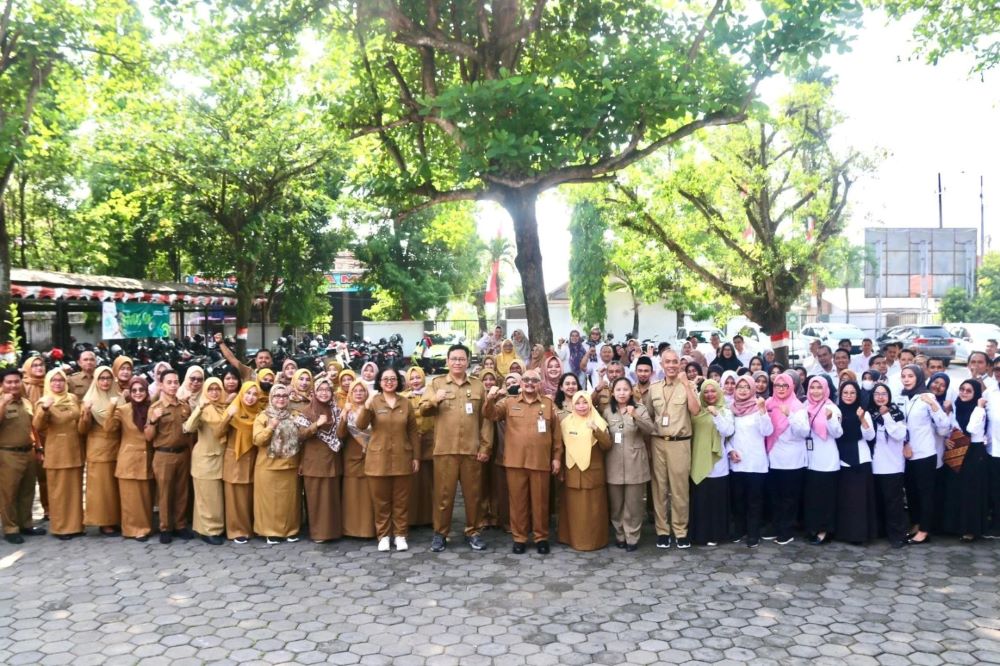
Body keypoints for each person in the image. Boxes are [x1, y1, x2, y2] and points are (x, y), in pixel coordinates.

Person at [419, 344, 492, 552]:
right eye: (454, 359)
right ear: (447, 361)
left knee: (473, 495)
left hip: (472, 450)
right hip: (445, 450)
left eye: (462, 359)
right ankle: (440, 534)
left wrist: (485, 447)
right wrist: (435, 399)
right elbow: (423, 410)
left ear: (468, 361)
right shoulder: (437, 384)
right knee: (443, 495)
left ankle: (474, 532)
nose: (458, 362)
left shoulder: (478, 386)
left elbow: (486, 420)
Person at [485, 368, 562, 554]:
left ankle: (541, 537)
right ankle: (519, 537)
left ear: (540, 384)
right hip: (515, 462)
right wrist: (489, 399)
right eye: (526, 380)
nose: (529, 383)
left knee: (540, 502)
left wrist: (556, 458)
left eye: (533, 380)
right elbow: (491, 415)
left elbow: (557, 435)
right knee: (518, 503)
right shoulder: (509, 403)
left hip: (540, 462)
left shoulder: (548, 404)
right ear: (520, 383)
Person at [355, 367, 419, 551]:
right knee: (380, 500)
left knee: (401, 500)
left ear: (398, 381)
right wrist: (366, 407)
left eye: (393, 379)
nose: (389, 382)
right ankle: (383, 536)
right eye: (385, 379)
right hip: (378, 459)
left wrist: (416, 457)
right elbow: (360, 425)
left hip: (402, 457)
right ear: (379, 382)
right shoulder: (374, 402)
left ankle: (400, 535)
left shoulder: (406, 403)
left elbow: (413, 432)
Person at [645, 348, 701, 549]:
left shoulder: (688, 386)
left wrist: (686, 385)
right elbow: (649, 416)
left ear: (680, 364)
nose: (671, 365)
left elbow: (695, 411)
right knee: (659, 488)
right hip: (658, 441)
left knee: (679, 489)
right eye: (667, 362)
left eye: (675, 361)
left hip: (680, 442)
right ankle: (662, 531)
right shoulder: (654, 388)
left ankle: (680, 531)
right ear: (661, 365)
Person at [253, 384, 317, 544]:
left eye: (284, 396)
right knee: (269, 502)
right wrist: (271, 427)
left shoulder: (295, 415)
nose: (281, 399)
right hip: (268, 467)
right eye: (277, 396)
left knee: (290, 502)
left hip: (290, 465)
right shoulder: (263, 416)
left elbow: (302, 437)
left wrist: (316, 426)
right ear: (271, 398)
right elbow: (258, 440)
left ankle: (291, 530)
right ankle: (270, 531)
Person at [601, 377, 654, 551]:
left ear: (631, 391)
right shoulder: (608, 411)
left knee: (634, 504)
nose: (622, 393)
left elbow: (650, 429)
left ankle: (632, 536)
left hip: (635, 462)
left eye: (625, 389)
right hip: (613, 462)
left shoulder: (640, 409)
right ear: (613, 392)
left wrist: (635, 416)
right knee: (616, 505)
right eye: (618, 390)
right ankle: (620, 535)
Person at [900, 365, 950, 545]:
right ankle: (915, 523)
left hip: (925, 454)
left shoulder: (927, 397)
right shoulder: (901, 397)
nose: (906, 379)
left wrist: (935, 406)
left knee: (925, 494)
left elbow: (944, 428)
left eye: (910, 376)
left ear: (919, 377)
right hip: (906, 454)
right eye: (903, 376)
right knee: (911, 492)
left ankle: (924, 530)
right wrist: (905, 443)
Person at [144, 368, 194, 544]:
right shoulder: (155, 408)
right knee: (165, 494)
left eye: (176, 382)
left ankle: (180, 525)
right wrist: (153, 421)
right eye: (169, 382)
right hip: (163, 455)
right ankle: (165, 527)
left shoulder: (184, 407)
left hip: (183, 454)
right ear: (161, 385)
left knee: (182, 491)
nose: (173, 385)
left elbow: (189, 434)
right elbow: (148, 437)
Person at [33, 368, 83, 540]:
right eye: (53, 380)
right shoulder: (44, 401)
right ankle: (61, 527)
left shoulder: (73, 398)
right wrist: (45, 409)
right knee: (59, 492)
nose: (57, 383)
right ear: (48, 382)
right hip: (57, 452)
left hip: (74, 449)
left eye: (60, 380)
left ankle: (76, 525)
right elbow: (38, 426)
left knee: (74, 490)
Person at [558, 391, 612, 551]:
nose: (582, 406)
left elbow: (607, 445)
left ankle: (595, 541)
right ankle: (571, 539)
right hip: (572, 472)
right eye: (578, 403)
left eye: (585, 402)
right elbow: (560, 447)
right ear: (572, 405)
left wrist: (596, 429)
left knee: (594, 510)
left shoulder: (598, 421)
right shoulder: (566, 422)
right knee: (574, 510)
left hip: (592, 473)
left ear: (590, 404)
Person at [727, 374, 773, 548]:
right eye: (740, 387)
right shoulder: (730, 408)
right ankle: (739, 530)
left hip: (755, 462)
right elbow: (727, 434)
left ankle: (753, 533)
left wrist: (762, 412)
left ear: (752, 389)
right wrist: (730, 451)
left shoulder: (759, 407)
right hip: (737, 462)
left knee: (754, 501)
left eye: (747, 387)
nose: (743, 390)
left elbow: (767, 431)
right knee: (738, 500)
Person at [0, 367, 45, 544]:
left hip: (28, 451)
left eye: (16, 381)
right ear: (2, 384)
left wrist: (39, 449)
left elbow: (33, 427)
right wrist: (3, 403)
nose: (13, 385)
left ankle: (26, 523)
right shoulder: (1, 402)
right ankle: (10, 528)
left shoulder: (26, 402)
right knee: (8, 493)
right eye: (9, 382)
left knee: (27, 491)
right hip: (7, 454)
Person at [689, 379, 736, 547]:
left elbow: (728, 431)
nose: (709, 394)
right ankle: (700, 535)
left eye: (713, 391)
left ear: (719, 392)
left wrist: (716, 414)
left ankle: (716, 534)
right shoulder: (697, 411)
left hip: (718, 464)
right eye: (706, 391)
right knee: (701, 501)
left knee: (716, 501)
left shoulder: (725, 411)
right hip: (697, 460)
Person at [940, 380, 988, 541]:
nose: (964, 393)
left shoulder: (979, 410)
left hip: (973, 453)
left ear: (976, 394)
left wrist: (979, 408)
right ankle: (953, 526)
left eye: (969, 391)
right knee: (955, 488)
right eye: (962, 389)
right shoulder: (955, 407)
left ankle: (970, 529)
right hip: (956, 450)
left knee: (970, 491)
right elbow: (949, 428)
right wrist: (946, 439)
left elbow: (971, 428)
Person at [182, 377, 228, 545]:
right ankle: (210, 530)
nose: (214, 392)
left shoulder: (224, 407)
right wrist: (199, 409)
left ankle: (203, 528)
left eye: (217, 389)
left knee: (212, 497)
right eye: (210, 389)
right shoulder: (203, 408)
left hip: (221, 457)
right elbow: (188, 428)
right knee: (208, 497)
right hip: (205, 459)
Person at [765, 373, 810, 545]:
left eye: (785, 386)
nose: (781, 389)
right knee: (775, 496)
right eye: (778, 385)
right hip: (773, 457)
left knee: (789, 497)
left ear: (791, 387)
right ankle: (776, 527)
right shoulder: (769, 404)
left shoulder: (797, 406)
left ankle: (787, 530)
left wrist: (789, 415)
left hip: (793, 460)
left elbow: (804, 432)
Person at [298, 374, 343, 543]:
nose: (324, 393)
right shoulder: (307, 411)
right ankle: (319, 533)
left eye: (327, 389)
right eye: (320, 390)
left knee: (332, 498)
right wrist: (316, 425)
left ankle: (333, 532)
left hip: (332, 460)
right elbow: (300, 436)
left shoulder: (336, 410)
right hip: (314, 462)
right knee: (316, 498)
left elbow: (342, 434)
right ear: (314, 392)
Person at [863, 382, 908, 548]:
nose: (880, 397)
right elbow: (868, 436)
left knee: (894, 503)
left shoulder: (896, 413)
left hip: (893, 465)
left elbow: (899, 434)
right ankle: (880, 531)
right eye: (877, 394)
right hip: (874, 465)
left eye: (884, 394)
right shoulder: (869, 413)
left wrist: (887, 415)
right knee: (878, 501)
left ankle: (897, 535)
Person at [79, 366, 122, 535]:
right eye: (101, 378)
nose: (105, 381)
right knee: (102, 489)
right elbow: (82, 430)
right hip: (98, 449)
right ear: (96, 380)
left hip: (118, 447)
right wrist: (86, 414)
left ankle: (116, 518)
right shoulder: (88, 400)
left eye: (108, 378)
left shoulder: (119, 398)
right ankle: (104, 522)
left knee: (115, 487)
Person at [835, 381, 878, 545]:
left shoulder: (863, 412)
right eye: (845, 392)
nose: (848, 396)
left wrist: (862, 419)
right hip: (841, 460)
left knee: (859, 501)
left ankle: (859, 535)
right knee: (845, 500)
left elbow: (870, 436)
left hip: (860, 461)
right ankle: (845, 533)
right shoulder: (837, 411)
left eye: (852, 393)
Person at [112, 377, 154, 541]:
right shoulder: (123, 410)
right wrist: (111, 407)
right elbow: (110, 428)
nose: (138, 393)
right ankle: (132, 529)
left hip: (146, 459)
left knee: (144, 497)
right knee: (130, 498)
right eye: (134, 390)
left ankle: (145, 527)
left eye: (141, 390)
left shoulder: (152, 408)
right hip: (128, 459)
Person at [803, 376, 843, 545]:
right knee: (812, 497)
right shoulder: (804, 406)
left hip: (827, 459)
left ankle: (825, 530)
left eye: (819, 387)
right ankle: (812, 526)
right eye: (813, 387)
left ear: (826, 389)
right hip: (809, 459)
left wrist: (830, 418)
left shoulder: (832, 408)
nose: (816, 391)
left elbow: (837, 433)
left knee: (825, 498)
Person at [221, 382, 263, 544]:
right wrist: (228, 418)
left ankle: (251, 528)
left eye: (254, 394)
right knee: (235, 498)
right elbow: (219, 432)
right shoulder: (233, 410)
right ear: (241, 394)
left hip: (253, 459)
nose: (251, 397)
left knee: (250, 496)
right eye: (247, 393)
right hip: (235, 460)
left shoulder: (260, 413)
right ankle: (236, 530)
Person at [338, 379, 377, 539]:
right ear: (350, 393)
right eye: (355, 391)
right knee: (352, 495)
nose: (359, 393)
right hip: (352, 458)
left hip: (371, 456)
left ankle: (369, 529)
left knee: (369, 495)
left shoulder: (371, 409)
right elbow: (340, 434)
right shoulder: (345, 410)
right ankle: (351, 529)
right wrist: (344, 415)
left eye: (362, 391)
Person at [404, 366, 434, 528]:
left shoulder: (431, 396)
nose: (415, 381)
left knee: (430, 482)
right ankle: (412, 519)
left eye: (418, 377)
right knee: (413, 483)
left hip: (430, 442)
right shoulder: (403, 398)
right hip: (412, 444)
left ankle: (430, 517)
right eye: (412, 378)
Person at [478, 369, 508, 531]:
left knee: (497, 482)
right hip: (481, 444)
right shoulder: (476, 397)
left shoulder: (502, 398)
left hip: (499, 444)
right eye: (485, 379)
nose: (489, 382)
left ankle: (497, 516)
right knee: (482, 482)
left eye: (492, 380)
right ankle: (483, 516)